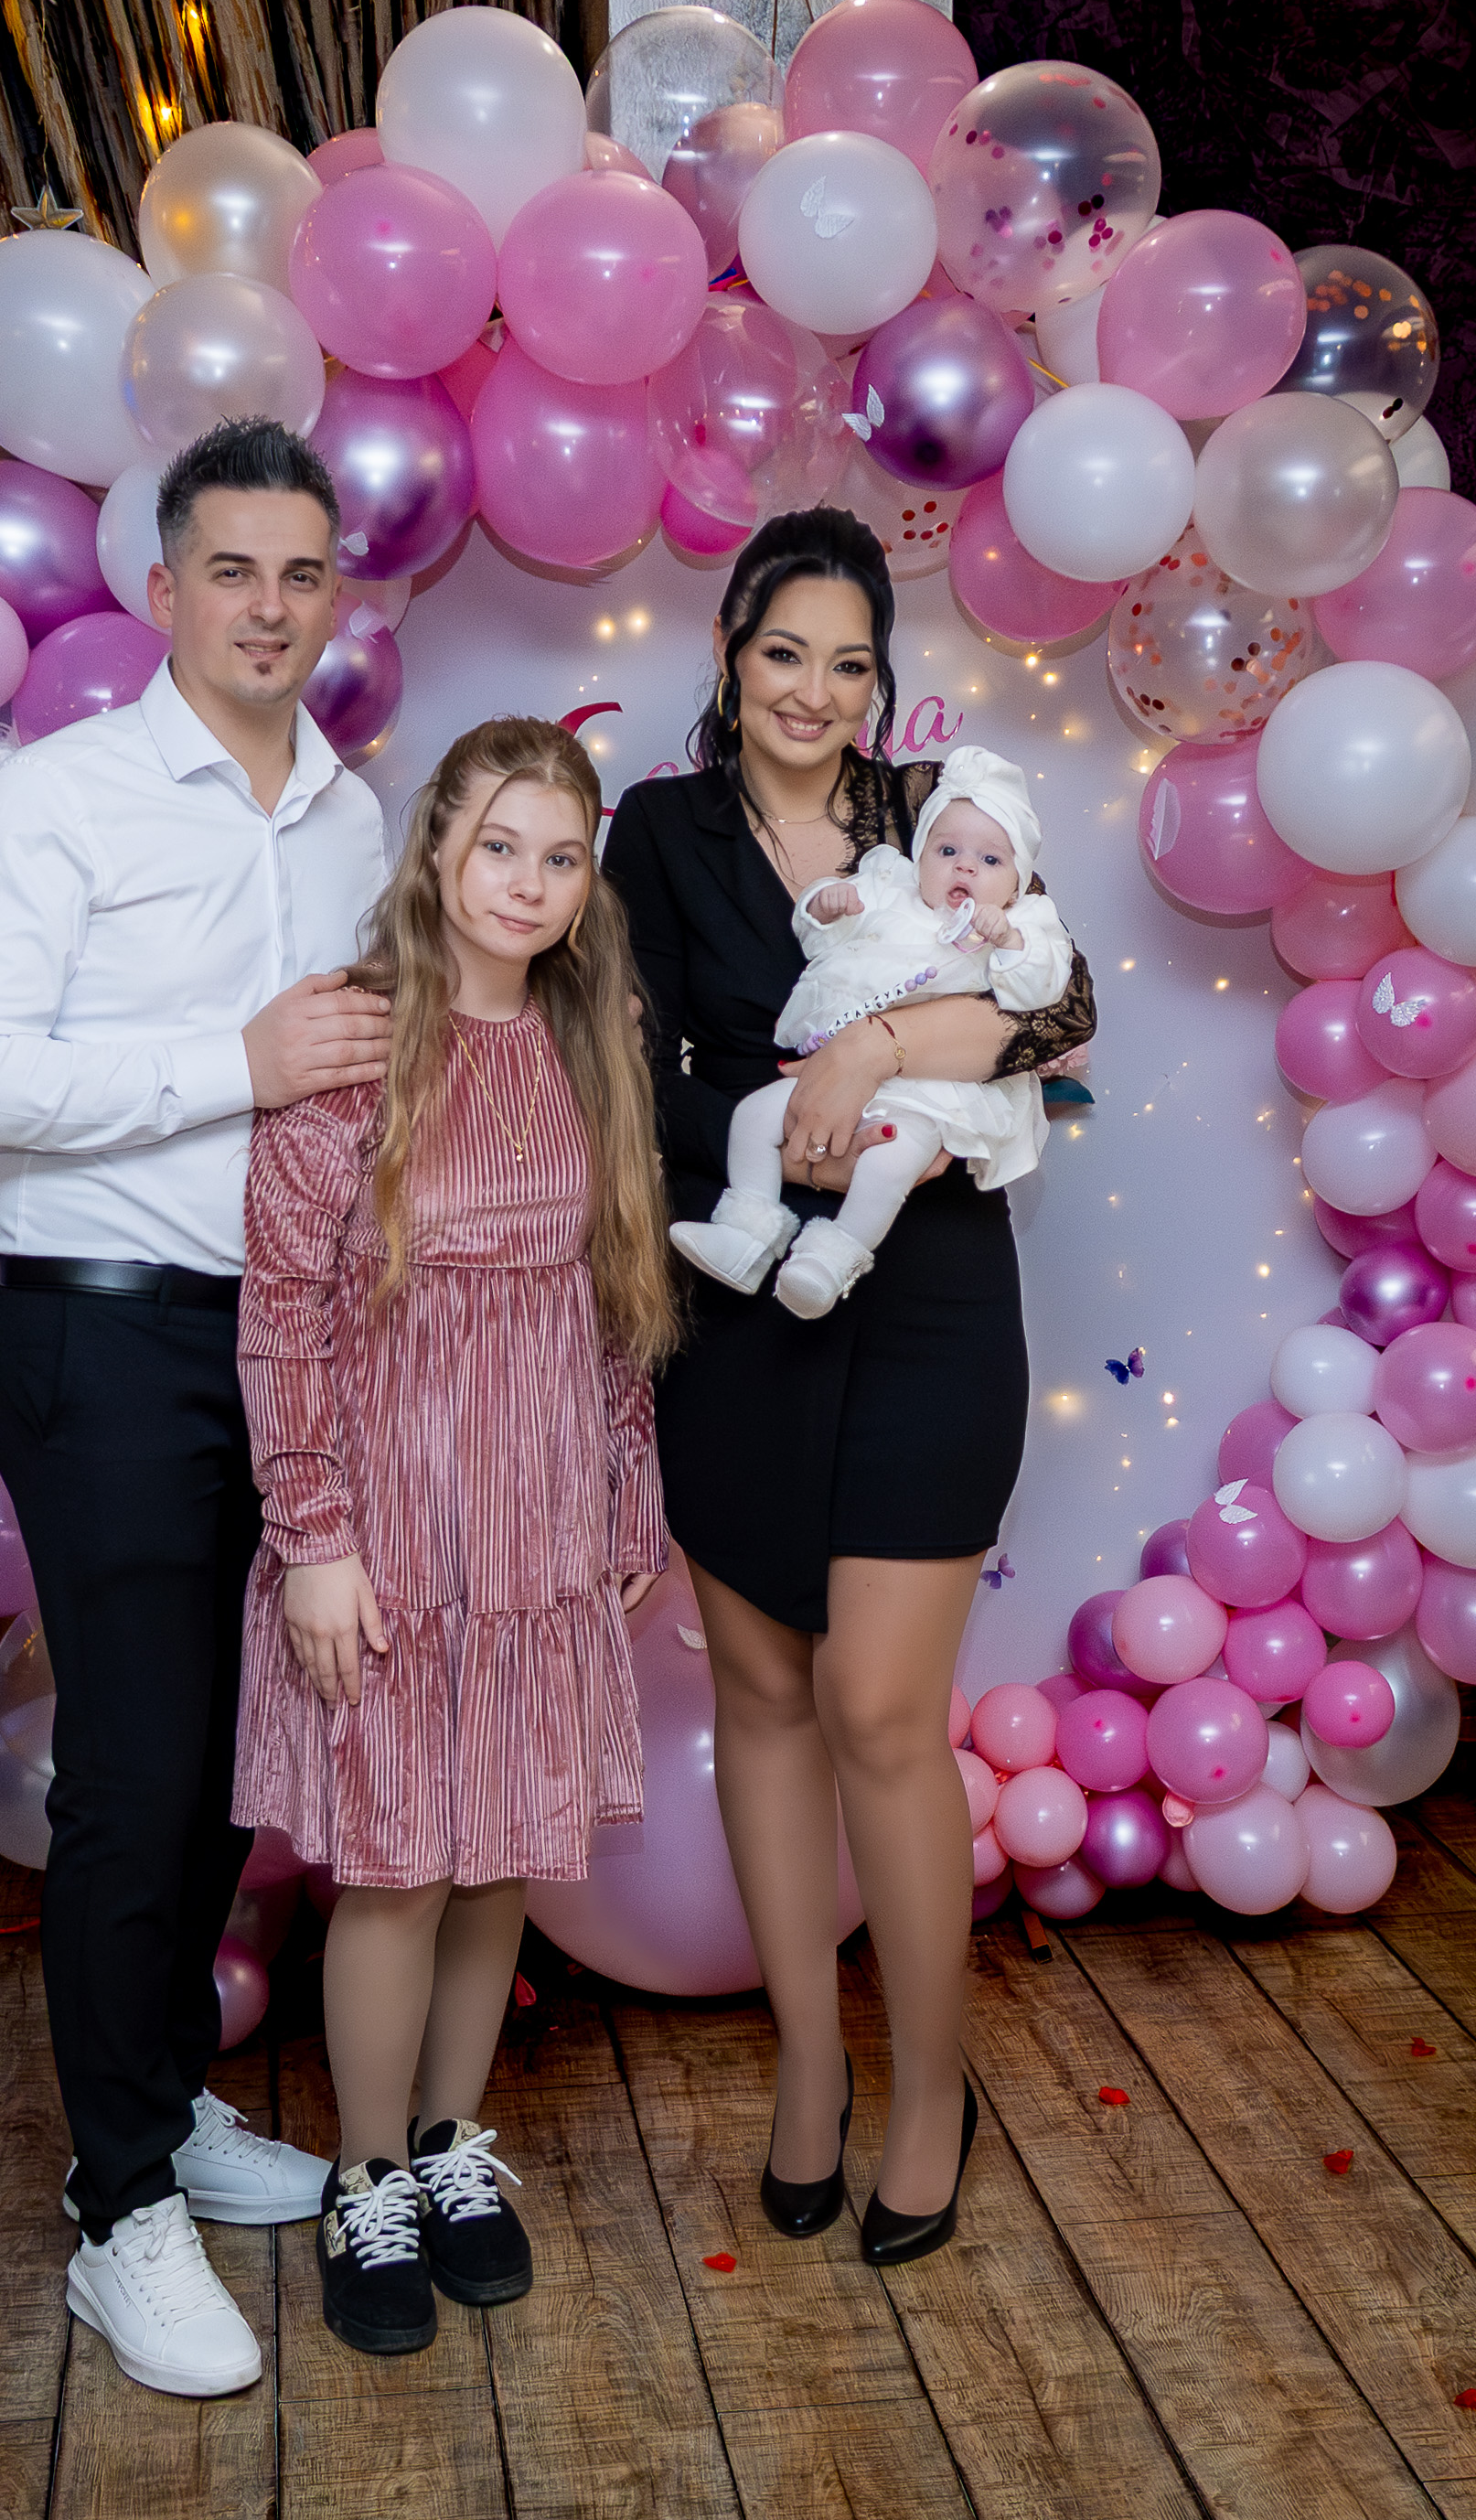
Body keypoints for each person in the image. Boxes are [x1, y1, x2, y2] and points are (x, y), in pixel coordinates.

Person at [0, 418, 391, 2397]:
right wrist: (231, 1061)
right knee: (131, 1770)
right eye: (232, 571)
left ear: (333, 594)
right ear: (166, 587)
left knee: (231, 1764)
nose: (268, 607)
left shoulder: (354, 821)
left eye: (300, 573)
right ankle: (116, 2212)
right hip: (106, 1335)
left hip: (292, 1342)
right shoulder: (67, 795)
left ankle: (166, 2105)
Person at [602, 506, 1095, 2267]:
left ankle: (928, 2088)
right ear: (731, 653)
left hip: (931, 1294)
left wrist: (875, 1045)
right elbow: (622, 1067)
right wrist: (773, 1130)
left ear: (883, 679)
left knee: (885, 1709)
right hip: (741, 1288)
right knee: (763, 1693)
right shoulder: (658, 831)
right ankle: (810, 2063)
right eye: (783, 651)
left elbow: (1058, 1013)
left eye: (850, 661)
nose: (813, 689)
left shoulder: (934, 811)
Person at [230, 717, 674, 2356]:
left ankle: (444, 2141)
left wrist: (628, 1471)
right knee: (400, 1866)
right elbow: (285, 1316)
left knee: (501, 1857)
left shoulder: (590, 1042)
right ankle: (364, 2174)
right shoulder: (357, 1045)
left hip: (539, 1513)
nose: (528, 882)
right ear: (435, 850)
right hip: (395, 1527)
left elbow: (615, 1297)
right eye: (500, 845)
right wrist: (314, 1532)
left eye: (561, 856)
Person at [670, 745, 1073, 1317]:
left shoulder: (1023, 923)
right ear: (921, 854)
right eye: (947, 850)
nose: (964, 867)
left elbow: (1044, 991)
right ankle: (746, 1232)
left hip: (930, 1094)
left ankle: (830, 1260)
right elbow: (827, 942)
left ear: (1016, 882)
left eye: (989, 860)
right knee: (753, 1118)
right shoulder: (892, 889)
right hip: (831, 1077)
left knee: (890, 1162)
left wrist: (1008, 942)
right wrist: (827, 905)